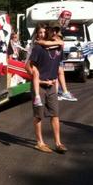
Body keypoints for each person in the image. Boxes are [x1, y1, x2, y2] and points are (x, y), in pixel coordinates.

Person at [26, 24, 67, 153]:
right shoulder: (38, 49)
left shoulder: (58, 48)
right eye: (40, 32)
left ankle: (58, 143)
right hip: (40, 86)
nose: (42, 34)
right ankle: (40, 142)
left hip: (52, 87)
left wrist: (62, 88)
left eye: (44, 32)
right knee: (39, 116)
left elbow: (59, 68)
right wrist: (37, 77)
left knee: (55, 115)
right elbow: (28, 66)